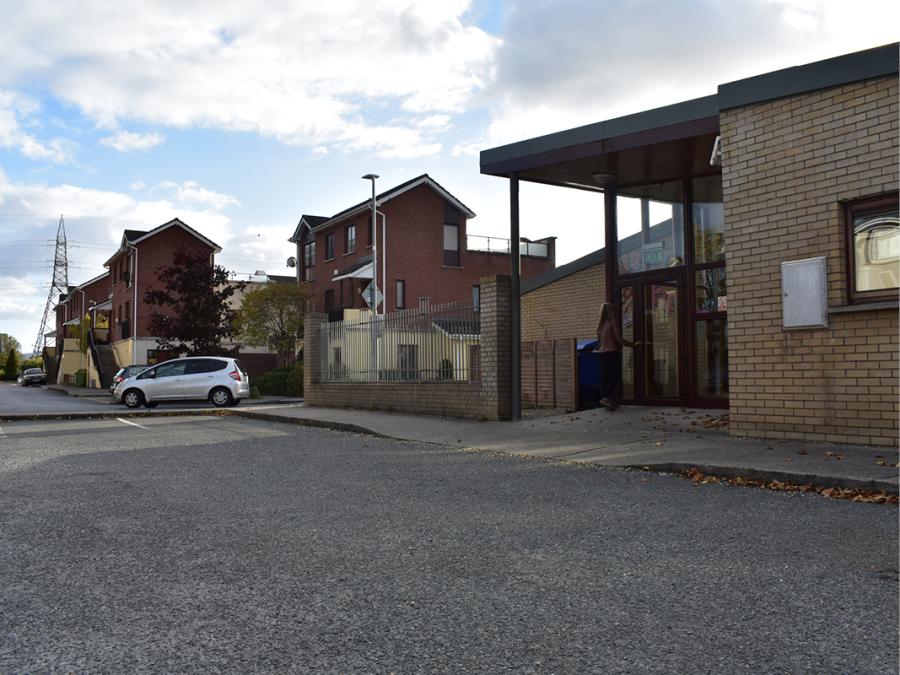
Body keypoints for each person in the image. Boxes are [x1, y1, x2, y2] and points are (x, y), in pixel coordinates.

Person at [595, 302, 636, 411]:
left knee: (605, 378)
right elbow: (618, 339)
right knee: (615, 377)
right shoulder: (611, 322)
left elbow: (600, 342)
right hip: (611, 353)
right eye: (612, 309)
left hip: (602, 354)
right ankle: (606, 398)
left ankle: (609, 402)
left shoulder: (599, 325)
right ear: (610, 311)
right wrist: (632, 345)